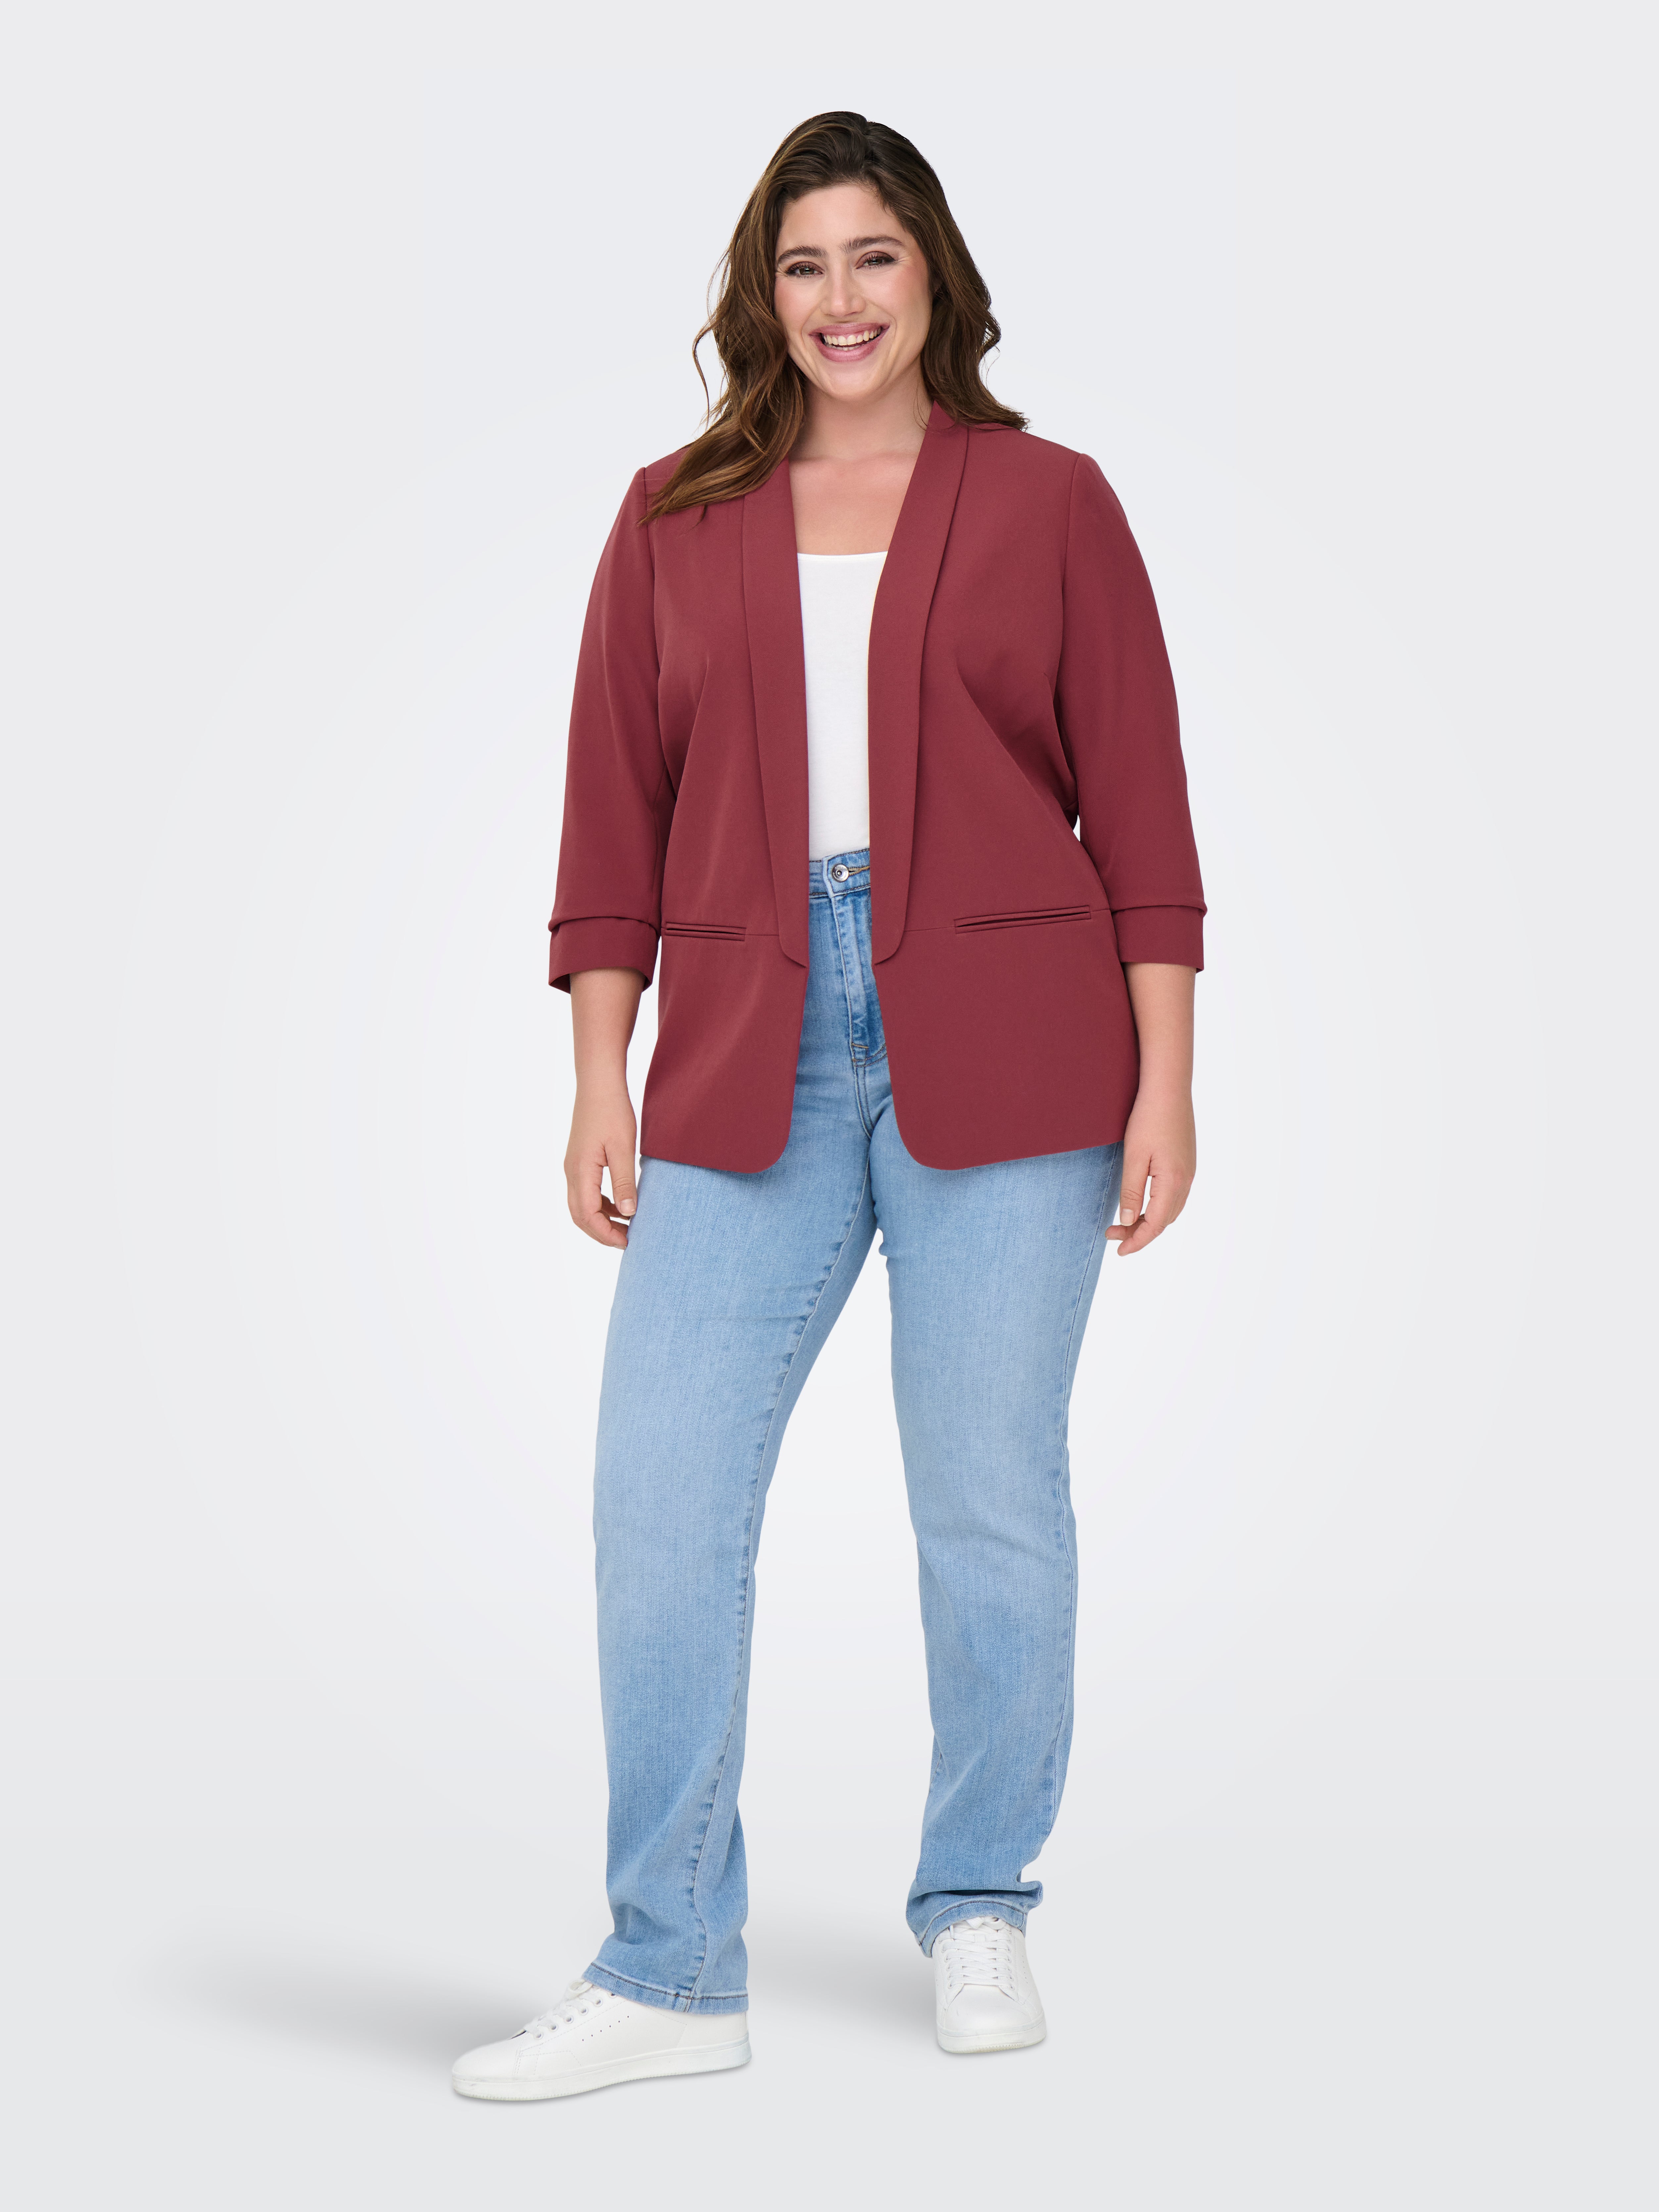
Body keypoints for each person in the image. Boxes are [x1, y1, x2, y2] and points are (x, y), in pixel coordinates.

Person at [452, 110, 1204, 2102]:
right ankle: (671, 1968)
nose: (841, 299)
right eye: (803, 265)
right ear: (759, 294)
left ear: (933, 272)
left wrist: (1169, 1082)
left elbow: (1140, 806)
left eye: (874, 256)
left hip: (1021, 1040)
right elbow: (610, 805)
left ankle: (979, 1901)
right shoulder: (672, 512)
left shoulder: (1050, 500)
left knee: (985, 1496)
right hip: (744, 1043)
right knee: (658, 1498)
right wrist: (597, 1069)